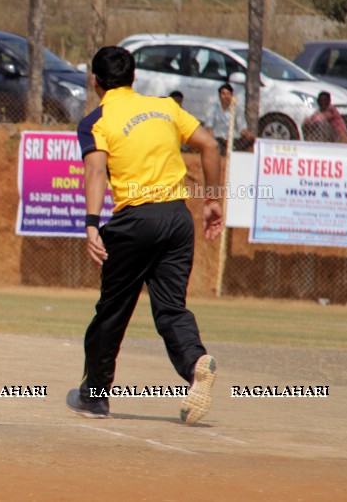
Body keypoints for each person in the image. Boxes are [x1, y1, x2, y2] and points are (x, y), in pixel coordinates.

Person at [68, 46, 223, 425]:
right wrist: (213, 200)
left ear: (95, 82)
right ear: (133, 78)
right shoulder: (165, 107)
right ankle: (196, 363)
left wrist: (91, 223)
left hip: (136, 222)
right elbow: (210, 145)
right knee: (171, 308)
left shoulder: (95, 120)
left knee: (113, 311)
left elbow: (96, 174)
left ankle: (95, 396)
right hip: (177, 217)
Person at [205, 83, 253, 154]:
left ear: (231, 95)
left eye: (228, 94)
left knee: (250, 140)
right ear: (219, 95)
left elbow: (242, 128)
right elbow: (209, 127)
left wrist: (248, 135)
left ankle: (231, 150)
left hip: (233, 139)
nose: (226, 96)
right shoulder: (213, 108)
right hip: (218, 139)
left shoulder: (237, 109)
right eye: (223, 94)